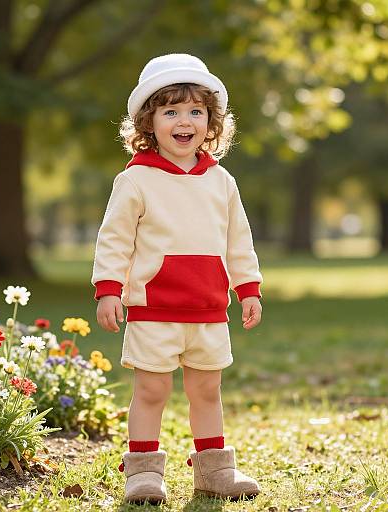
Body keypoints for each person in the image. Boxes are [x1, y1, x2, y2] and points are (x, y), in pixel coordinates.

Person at [92, 53, 263, 504]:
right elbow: (114, 239)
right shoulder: (136, 181)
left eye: (195, 111)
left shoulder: (221, 181)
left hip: (208, 308)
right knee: (152, 389)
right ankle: (143, 471)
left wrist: (248, 288)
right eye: (170, 111)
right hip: (154, 309)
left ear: (210, 122)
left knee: (207, 389)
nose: (184, 121)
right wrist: (109, 289)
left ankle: (215, 470)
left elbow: (238, 240)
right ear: (148, 123)